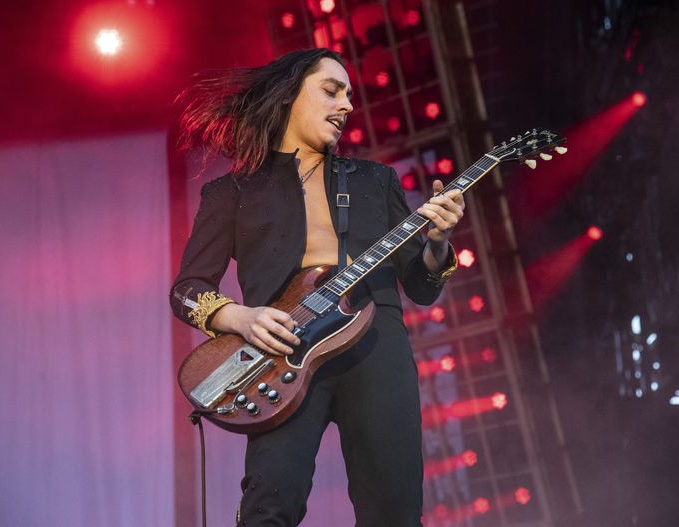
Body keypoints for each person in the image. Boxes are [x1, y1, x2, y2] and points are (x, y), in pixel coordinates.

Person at [170, 48, 465, 527]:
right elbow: (187, 288)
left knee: (394, 511)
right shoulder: (232, 192)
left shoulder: (374, 180)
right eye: (332, 90)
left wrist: (438, 241)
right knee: (270, 508)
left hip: (375, 347)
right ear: (289, 96)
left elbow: (423, 285)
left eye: (349, 95)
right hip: (283, 353)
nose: (347, 105)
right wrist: (241, 317)